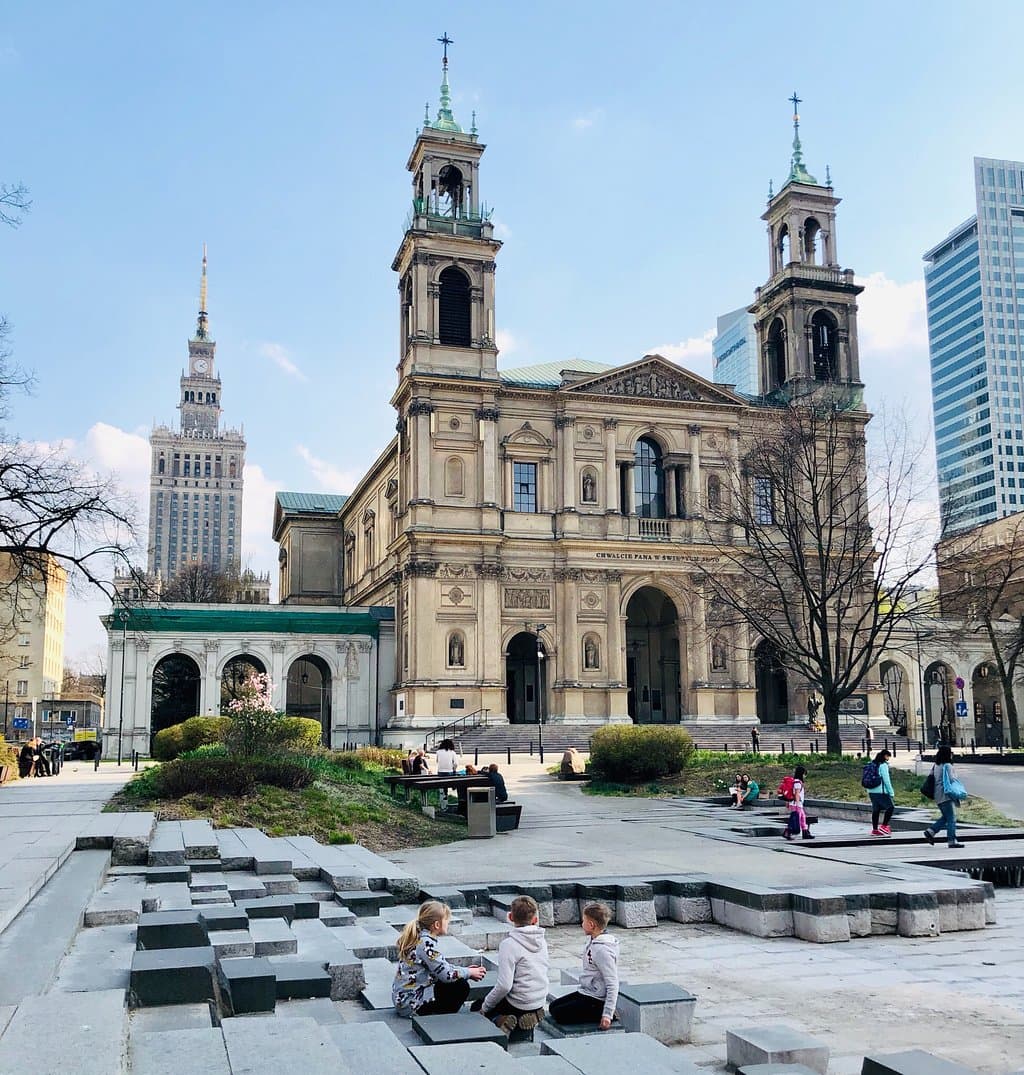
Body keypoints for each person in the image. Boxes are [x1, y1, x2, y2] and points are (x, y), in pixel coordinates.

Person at [392, 900, 486, 1017]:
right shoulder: (425, 944)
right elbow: (446, 975)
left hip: (405, 1000)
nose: (448, 922)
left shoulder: (420, 938)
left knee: (455, 981)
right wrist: (468, 972)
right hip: (412, 1004)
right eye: (446, 920)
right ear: (437, 925)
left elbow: (441, 967)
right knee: (460, 987)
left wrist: (465, 971)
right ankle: (441, 1018)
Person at [470, 894, 549, 1032]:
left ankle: (500, 1019)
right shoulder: (542, 940)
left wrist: (485, 1007)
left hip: (518, 1002)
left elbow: (504, 986)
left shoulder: (509, 944)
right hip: (539, 999)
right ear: (535, 920)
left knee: (476, 1006)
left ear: (510, 917)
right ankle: (532, 1013)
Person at [548, 901, 619, 1030]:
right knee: (553, 1007)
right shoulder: (593, 941)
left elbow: (612, 982)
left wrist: (607, 1014)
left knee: (559, 1014)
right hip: (586, 991)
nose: (581, 924)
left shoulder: (603, 951)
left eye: (583, 921)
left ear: (591, 925)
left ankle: (604, 1013)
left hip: (597, 999)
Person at [923, 744, 966, 849]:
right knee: (951, 819)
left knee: (946, 817)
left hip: (937, 794)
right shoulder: (948, 766)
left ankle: (931, 831)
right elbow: (951, 779)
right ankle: (952, 841)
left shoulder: (936, 765)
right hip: (946, 795)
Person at [866, 748, 895, 837]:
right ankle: (884, 826)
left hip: (871, 790)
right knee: (890, 807)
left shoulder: (872, 763)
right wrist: (891, 792)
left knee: (876, 809)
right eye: (888, 757)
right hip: (881, 791)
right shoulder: (883, 765)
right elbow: (886, 780)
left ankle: (875, 830)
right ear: (885, 756)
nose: (888, 759)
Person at [784, 764, 814, 841]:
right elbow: (796, 794)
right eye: (804, 774)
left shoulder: (796, 781)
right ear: (801, 774)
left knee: (802, 817)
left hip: (795, 803)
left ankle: (805, 832)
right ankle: (788, 832)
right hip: (796, 804)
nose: (805, 776)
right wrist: (797, 804)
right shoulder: (797, 782)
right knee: (796, 819)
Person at [435, 738, 459, 811]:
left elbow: (437, 761)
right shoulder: (452, 752)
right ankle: (447, 802)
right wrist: (454, 769)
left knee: (442, 788)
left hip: (440, 772)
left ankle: (443, 805)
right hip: (449, 772)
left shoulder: (438, 752)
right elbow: (456, 763)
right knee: (448, 787)